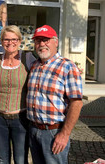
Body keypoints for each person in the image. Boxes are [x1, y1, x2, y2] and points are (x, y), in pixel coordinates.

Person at [27, 25, 83, 164]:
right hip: (33, 130)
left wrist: (64, 134)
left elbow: (76, 103)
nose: (42, 44)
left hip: (54, 132)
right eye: (38, 41)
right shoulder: (34, 66)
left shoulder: (67, 66)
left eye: (46, 40)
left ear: (56, 42)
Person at [0, 25, 36, 164]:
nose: (10, 42)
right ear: (2, 41)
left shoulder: (27, 58)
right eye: (6, 39)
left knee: (20, 160)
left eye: (14, 39)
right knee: (2, 159)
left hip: (20, 118)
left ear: (20, 40)